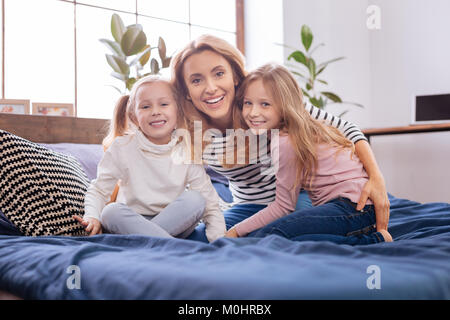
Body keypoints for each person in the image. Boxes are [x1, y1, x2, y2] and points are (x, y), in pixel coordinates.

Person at [171, 34, 390, 243]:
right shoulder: (190, 132)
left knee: (271, 238)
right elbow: (193, 184)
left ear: (235, 76)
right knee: (202, 239)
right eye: (197, 80)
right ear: (187, 91)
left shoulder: (268, 98)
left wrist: (376, 178)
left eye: (219, 73)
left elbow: (347, 129)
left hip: (297, 199)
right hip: (249, 204)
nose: (210, 88)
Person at [224, 63, 392, 244]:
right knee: (277, 237)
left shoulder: (284, 141)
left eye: (265, 104)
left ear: (285, 105)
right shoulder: (300, 126)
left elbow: (283, 206)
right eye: (248, 103)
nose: (253, 112)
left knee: (269, 236)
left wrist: (235, 230)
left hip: (354, 208)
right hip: (357, 208)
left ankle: (373, 240)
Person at [73, 75, 226, 243]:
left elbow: (210, 203)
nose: (155, 111)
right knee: (110, 212)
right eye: (145, 106)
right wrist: (92, 216)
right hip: (130, 224)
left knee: (196, 199)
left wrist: (218, 241)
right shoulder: (123, 148)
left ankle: (151, 243)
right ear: (133, 117)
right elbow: (100, 189)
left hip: (176, 223)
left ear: (178, 110)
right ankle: (174, 247)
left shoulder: (186, 149)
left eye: (164, 104)